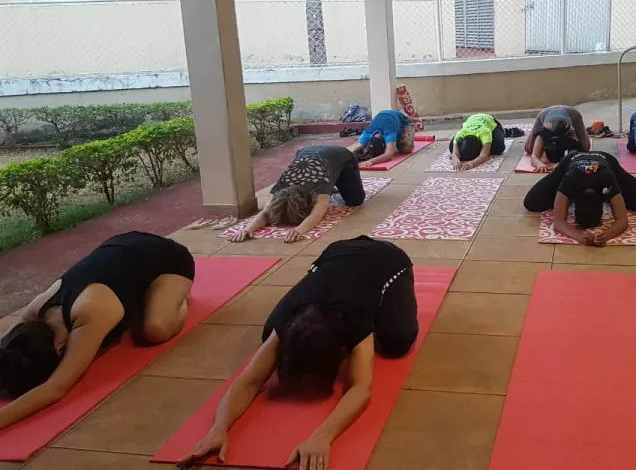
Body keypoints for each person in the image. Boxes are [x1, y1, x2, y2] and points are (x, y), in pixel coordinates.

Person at [179, 237, 416, 470]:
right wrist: (218, 429)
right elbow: (249, 381)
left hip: (387, 259)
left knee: (398, 341)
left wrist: (322, 436)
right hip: (336, 252)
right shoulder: (286, 321)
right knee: (267, 333)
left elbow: (361, 388)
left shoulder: (354, 318)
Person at [0, 232, 193, 430]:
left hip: (169, 259)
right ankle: (148, 296)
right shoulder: (34, 312)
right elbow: (5, 351)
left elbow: (55, 387)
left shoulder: (89, 314)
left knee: (156, 329)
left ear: (59, 348)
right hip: (123, 244)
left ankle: (179, 296)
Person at [230, 145, 364, 244]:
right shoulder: (281, 185)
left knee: (355, 200)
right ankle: (334, 181)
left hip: (342, 156)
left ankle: (337, 179)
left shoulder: (319, 187)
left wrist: (299, 230)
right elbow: (266, 212)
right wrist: (248, 229)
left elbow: (316, 215)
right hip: (305, 152)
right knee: (331, 185)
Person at [523, 151, 636, 246]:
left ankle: (611, 194)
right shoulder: (571, 180)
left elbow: (622, 220)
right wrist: (579, 236)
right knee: (531, 203)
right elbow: (558, 221)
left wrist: (607, 235)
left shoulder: (606, 179)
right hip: (570, 162)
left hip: (607, 161)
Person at [524, 105, 591, 173]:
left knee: (585, 147)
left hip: (573, 113)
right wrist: (539, 164)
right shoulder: (544, 132)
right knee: (528, 148)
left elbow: (572, 155)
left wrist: (561, 164)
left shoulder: (569, 134)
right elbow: (534, 156)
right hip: (544, 113)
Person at [347, 109, 417, 168]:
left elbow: (389, 154)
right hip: (385, 116)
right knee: (392, 143)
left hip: (404, 120)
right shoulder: (367, 133)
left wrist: (371, 161)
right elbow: (358, 146)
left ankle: (401, 121)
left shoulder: (389, 132)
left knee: (406, 147)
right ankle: (393, 142)